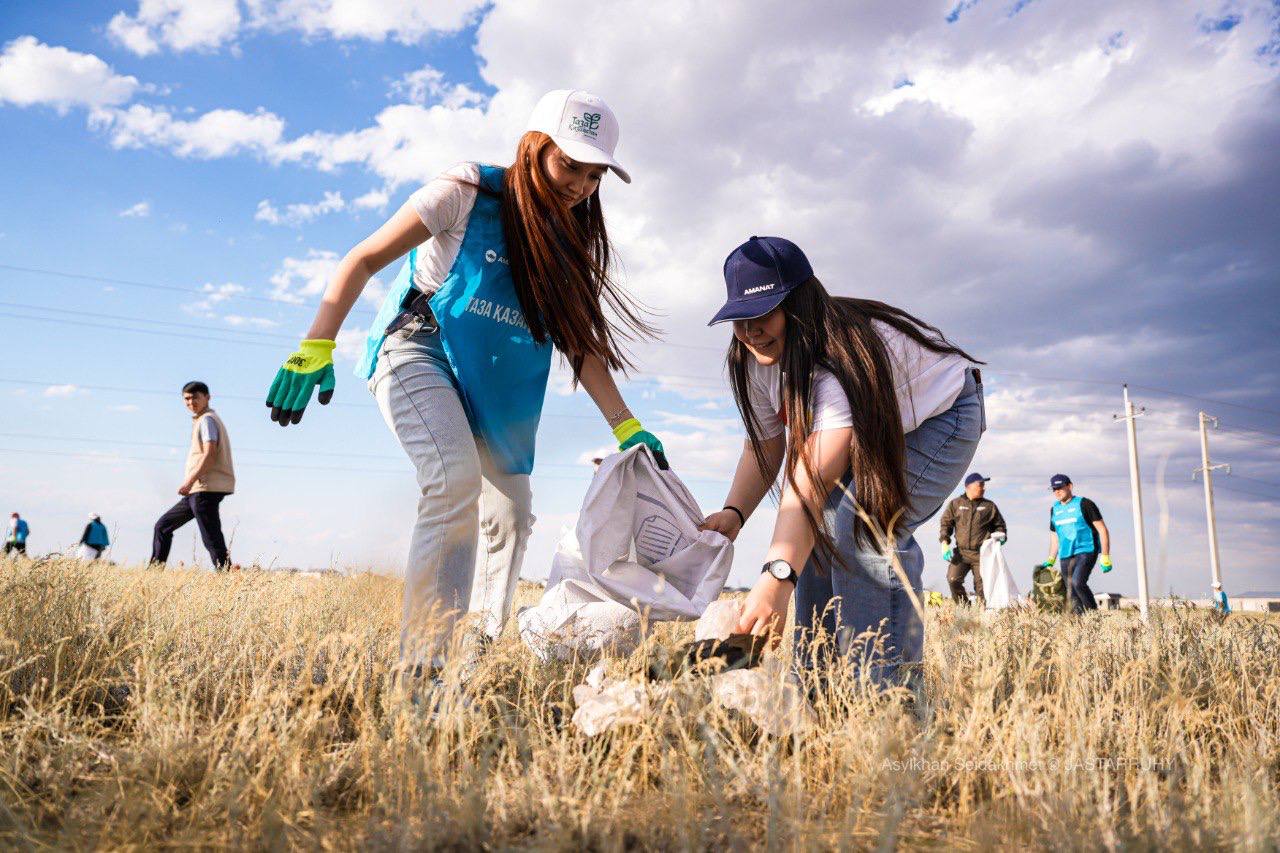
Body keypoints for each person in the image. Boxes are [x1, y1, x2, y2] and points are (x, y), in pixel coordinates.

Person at [265, 90, 666, 681]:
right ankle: (425, 664)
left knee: (511, 514)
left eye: (593, 174)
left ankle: (473, 649)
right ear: (534, 149)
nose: (580, 185)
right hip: (418, 351)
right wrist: (316, 343)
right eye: (569, 165)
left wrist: (626, 424)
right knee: (452, 482)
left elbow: (580, 344)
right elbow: (364, 258)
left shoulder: (570, 242)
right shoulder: (466, 190)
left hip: (497, 382)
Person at [699, 236, 985, 685]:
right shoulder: (754, 360)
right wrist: (735, 513)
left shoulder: (835, 360)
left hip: (942, 416)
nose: (750, 330)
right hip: (873, 426)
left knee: (864, 527)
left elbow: (808, 483)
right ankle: (818, 688)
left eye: (762, 314)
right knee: (816, 536)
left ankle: (885, 695)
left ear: (798, 304)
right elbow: (766, 445)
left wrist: (775, 581)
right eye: (739, 319)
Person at [150, 381, 235, 570]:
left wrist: (189, 481)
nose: (191, 402)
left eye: (195, 397)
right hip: (198, 489)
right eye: (187, 398)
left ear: (207, 397)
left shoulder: (207, 420)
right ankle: (154, 572)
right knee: (163, 526)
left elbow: (209, 454)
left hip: (204, 488)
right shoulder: (203, 420)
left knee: (211, 538)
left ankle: (228, 578)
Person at [1039, 474, 1111, 613]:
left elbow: (1102, 529)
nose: (1057, 491)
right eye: (1054, 489)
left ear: (1069, 486)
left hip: (1086, 550)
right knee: (1070, 590)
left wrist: (1105, 556)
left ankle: (1093, 615)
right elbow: (1055, 536)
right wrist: (1051, 559)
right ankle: (1080, 622)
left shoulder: (1085, 504)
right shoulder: (1054, 509)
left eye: (1060, 487)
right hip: (1065, 554)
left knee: (1077, 582)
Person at [938, 472, 1007, 605]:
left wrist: (1001, 537)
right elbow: (946, 524)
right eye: (980, 484)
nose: (983, 488)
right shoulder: (955, 504)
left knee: (982, 588)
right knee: (953, 579)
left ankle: (982, 615)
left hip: (982, 554)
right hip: (961, 553)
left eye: (984, 485)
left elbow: (1000, 527)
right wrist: (944, 543)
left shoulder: (989, 507)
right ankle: (965, 608)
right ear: (968, 486)